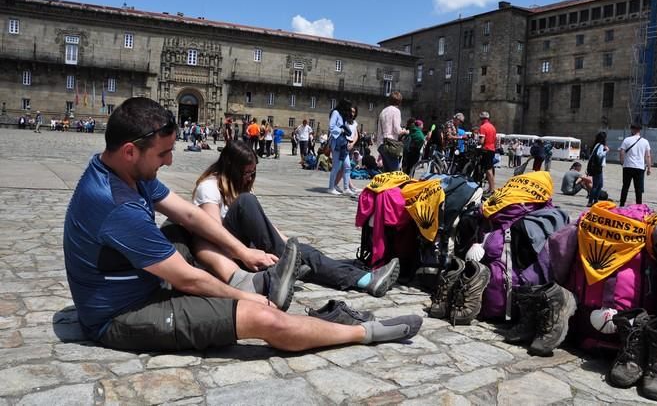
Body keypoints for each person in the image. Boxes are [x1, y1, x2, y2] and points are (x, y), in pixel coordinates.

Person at [63, 97, 420, 354]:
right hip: (121, 314)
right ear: (130, 151)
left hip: (145, 276)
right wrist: (249, 299)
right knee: (263, 318)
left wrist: (242, 250)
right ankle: (364, 332)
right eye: (162, 154)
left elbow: (189, 215)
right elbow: (185, 279)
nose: (171, 160)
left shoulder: (125, 173)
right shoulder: (116, 205)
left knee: (191, 220)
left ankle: (263, 280)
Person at [192, 140, 401, 297]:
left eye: (252, 173)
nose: (249, 178)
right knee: (247, 203)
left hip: (250, 248)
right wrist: (249, 252)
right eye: (246, 173)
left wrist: (287, 243)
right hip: (231, 256)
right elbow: (214, 234)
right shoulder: (209, 188)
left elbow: (263, 224)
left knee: (307, 253)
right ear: (231, 169)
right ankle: (293, 262)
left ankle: (365, 279)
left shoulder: (241, 188)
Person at [618, 124, 652, 206]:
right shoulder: (645, 141)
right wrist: (649, 168)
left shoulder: (627, 140)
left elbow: (622, 152)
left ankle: (622, 204)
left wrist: (622, 162)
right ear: (639, 130)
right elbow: (647, 155)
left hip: (628, 166)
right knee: (638, 188)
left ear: (632, 130)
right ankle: (639, 206)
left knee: (625, 186)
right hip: (639, 167)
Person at [327, 100, 355, 196]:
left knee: (347, 165)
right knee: (336, 166)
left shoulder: (343, 116)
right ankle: (331, 187)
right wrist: (341, 130)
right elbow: (331, 126)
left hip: (344, 143)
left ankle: (346, 188)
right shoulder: (336, 113)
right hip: (337, 143)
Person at [377, 91, 408, 172]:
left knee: (387, 172)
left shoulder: (383, 111)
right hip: (390, 144)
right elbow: (397, 129)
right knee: (395, 173)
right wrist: (405, 131)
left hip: (381, 144)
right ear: (399, 101)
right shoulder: (396, 111)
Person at [335, 105, 361, 194]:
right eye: (351, 111)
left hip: (350, 145)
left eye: (354, 112)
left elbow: (356, 135)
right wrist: (346, 143)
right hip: (344, 145)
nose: (352, 113)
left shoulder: (355, 123)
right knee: (346, 166)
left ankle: (337, 185)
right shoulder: (344, 121)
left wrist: (352, 143)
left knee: (344, 168)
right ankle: (346, 187)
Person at [587, 131, 609, 207]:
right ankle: (591, 201)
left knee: (599, 185)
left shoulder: (596, 145)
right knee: (596, 185)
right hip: (597, 168)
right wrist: (606, 151)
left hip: (597, 167)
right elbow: (599, 155)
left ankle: (595, 200)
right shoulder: (600, 146)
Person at [478, 111, 497, 192]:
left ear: (481, 119)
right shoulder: (493, 127)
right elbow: (495, 140)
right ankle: (490, 188)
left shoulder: (483, 127)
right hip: (492, 149)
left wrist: (478, 141)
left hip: (486, 149)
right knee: (490, 169)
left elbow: (482, 141)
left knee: (488, 170)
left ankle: (492, 190)